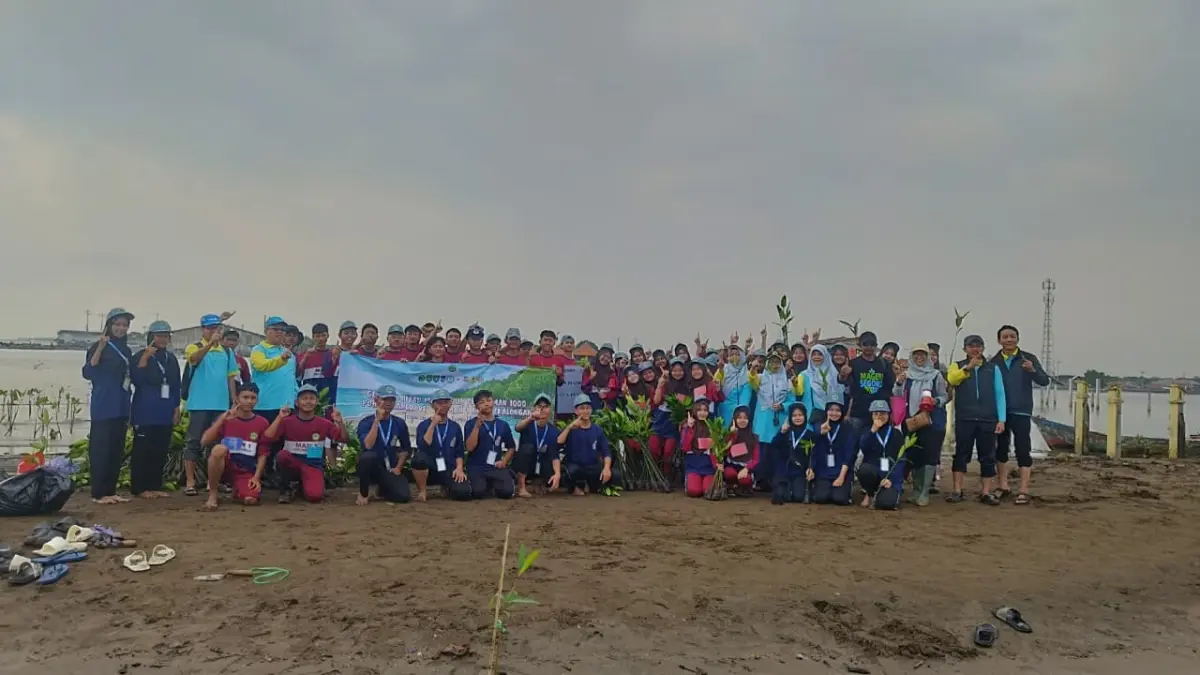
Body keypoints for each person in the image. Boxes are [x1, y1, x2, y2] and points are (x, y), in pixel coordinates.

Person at [82, 308, 135, 505]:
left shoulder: (126, 350)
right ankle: (98, 493)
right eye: (117, 324)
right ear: (109, 325)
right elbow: (88, 372)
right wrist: (100, 348)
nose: (121, 328)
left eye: (125, 325)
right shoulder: (99, 346)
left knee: (116, 449)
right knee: (101, 450)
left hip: (121, 404)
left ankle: (110, 491)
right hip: (104, 405)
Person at [946, 334, 1007, 505]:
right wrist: (968, 368)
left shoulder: (993, 368)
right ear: (964, 349)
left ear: (983, 348)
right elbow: (952, 379)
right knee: (961, 454)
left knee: (987, 456)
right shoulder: (957, 366)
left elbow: (1000, 394)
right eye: (971, 346)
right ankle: (957, 490)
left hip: (988, 419)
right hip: (965, 418)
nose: (975, 349)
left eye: (978, 346)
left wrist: (1001, 419)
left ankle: (986, 492)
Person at [182, 313, 239, 497]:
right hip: (199, 403)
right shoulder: (194, 347)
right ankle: (190, 482)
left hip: (220, 404)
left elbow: (231, 377)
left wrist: (234, 399)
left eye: (216, 328)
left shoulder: (227, 352)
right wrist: (209, 344)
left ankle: (212, 481)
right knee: (193, 442)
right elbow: (194, 359)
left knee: (217, 444)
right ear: (203, 329)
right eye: (209, 328)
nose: (213, 331)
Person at [991, 325, 1049, 505]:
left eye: (1012, 336)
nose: (1009, 339)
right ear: (999, 340)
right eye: (1005, 337)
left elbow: (1044, 381)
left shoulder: (1028, 359)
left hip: (1022, 411)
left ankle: (1023, 490)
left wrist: (1032, 370)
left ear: (1017, 338)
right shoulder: (993, 362)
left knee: (1023, 449)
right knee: (1000, 448)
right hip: (1000, 413)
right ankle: (1003, 485)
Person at [129, 320, 181, 499]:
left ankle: (154, 485)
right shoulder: (140, 355)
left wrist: (176, 408)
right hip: (145, 409)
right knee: (143, 449)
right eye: (159, 336)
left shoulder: (170, 358)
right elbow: (136, 379)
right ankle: (139, 487)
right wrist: (145, 357)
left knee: (160, 449)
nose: (162, 339)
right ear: (151, 337)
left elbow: (176, 385)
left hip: (165, 409)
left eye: (165, 336)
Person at [268, 384, 344, 503]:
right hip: (292, 463)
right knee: (282, 456)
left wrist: (340, 422)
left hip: (312, 466)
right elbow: (269, 437)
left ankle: (302, 486)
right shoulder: (287, 421)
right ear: (297, 403)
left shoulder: (324, 423)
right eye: (304, 398)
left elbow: (344, 439)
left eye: (311, 398)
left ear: (317, 402)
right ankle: (286, 488)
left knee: (315, 496)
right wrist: (279, 417)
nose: (308, 401)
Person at [200, 383, 271, 510]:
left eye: (253, 398)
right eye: (245, 397)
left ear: (257, 400)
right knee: (218, 450)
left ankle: (238, 491)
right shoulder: (226, 419)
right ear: (237, 399)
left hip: (245, 470)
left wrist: (256, 477)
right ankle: (213, 494)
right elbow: (204, 441)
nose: (249, 401)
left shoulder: (262, 423)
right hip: (224, 465)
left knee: (250, 500)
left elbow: (263, 453)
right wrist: (222, 420)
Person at [895, 343, 948, 506]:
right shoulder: (906, 376)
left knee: (930, 456)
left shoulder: (935, 375)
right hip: (912, 421)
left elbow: (944, 396)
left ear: (927, 356)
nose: (919, 357)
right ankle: (916, 491)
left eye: (923, 354)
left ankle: (924, 492)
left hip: (932, 421)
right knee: (914, 455)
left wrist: (935, 401)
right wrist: (898, 383)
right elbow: (897, 396)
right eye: (916, 354)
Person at [354, 385, 413, 505]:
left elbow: (406, 448)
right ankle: (363, 492)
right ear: (376, 400)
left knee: (403, 496)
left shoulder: (399, 423)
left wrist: (398, 467)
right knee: (368, 456)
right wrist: (377, 420)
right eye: (385, 399)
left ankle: (381, 489)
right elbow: (368, 445)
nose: (389, 403)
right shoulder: (366, 422)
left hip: (390, 469)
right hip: (371, 468)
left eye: (392, 400)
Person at [412, 390, 471, 501]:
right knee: (419, 458)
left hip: (448, 468)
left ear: (450, 404)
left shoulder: (455, 427)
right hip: (431, 469)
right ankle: (422, 491)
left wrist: (459, 468)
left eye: (446, 402)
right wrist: (433, 424)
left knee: (463, 493)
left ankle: (446, 487)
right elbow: (423, 446)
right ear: (432, 405)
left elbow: (459, 452)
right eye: (439, 403)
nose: (443, 405)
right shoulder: (423, 425)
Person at [557, 393, 619, 496]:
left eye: (588, 408)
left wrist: (606, 468)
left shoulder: (597, 430)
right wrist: (569, 427)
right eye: (582, 408)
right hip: (575, 467)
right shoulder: (571, 429)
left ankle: (590, 485)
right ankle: (577, 486)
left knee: (615, 475)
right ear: (576, 411)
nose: (585, 411)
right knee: (572, 472)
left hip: (592, 467)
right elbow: (559, 442)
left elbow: (606, 452)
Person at [463, 390, 518, 499]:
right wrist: (477, 427)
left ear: (493, 402)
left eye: (489, 400)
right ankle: (486, 485)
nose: (486, 404)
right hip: (477, 467)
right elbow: (469, 448)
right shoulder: (470, 424)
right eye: (482, 402)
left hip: (495, 467)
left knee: (507, 492)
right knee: (477, 492)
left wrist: (504, 461)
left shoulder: (502, 425)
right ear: (476, 407)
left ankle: (496, 483)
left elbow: (511, 447)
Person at [855, 400, 906, 510]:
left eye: (883, 413)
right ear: (871, 415)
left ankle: (884, 495)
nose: (879, 416)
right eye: (876, 413)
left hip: (890, 475)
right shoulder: (867, 431)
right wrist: (873, 431)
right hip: (875, 472)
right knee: (864, 470)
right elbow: (863, 447)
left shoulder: (896, 434)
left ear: (888, 415)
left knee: (886, 504)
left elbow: (901, 459)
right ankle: (869, 493)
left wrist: (891, 479)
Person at [841, 331, 895, 432]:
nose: (869, 347)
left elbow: (891, 386)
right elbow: (843, 383)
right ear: (860, 345)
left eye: (872, 344)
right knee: (855, 440)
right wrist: (843, 374)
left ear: (876, 345)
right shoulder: (853, 364)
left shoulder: (884, 364)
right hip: (858, 413)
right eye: (866, 344)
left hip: (879, 413)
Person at [251, 316, 299, 427]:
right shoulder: (258, 349)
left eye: (282, 330)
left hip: (287, 406)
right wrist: (281, 359)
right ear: (266, 331)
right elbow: (262, 365)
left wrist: (297, 397)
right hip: (264, 405)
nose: (280, 332)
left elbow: (292, 379)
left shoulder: (289, 354)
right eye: (276, 329)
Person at [514, 393, 561, 497]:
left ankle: (538, 481)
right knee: (527, 448)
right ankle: (521, 487)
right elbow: (517, 428)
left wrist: (557, 474)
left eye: (546, 407)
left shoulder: (554, 431)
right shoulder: (527, 424)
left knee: (550, 460)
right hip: (526, 464)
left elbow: (555, 455)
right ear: (534, 408)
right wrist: (531, 418)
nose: (542, 409)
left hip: (541, 464)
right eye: (539, 406)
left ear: (550, 410)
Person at [749, 353, 802, 443]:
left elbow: (792, 401)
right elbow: (752, 380)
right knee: (762, 447)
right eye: (772, 362)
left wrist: (782, 406)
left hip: (780, 421)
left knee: (778, 446)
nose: (774, 365)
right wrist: (753, 368)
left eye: (777, 362)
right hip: (763, 421)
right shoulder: (760, 378)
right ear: (767, 364)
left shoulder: (787, 381)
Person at [651, 357, 689, 477]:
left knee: (668, 452)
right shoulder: (665, 383)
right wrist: (659, 385)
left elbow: (687, 407)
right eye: (675, 370)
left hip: (674, 424)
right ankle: (655, 473)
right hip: (660, 420)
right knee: (654, 449)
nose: (678, 373)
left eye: (680, 370)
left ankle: (666, 475)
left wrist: (683, 420)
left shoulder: (687, 386)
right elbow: (656, 401)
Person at [810, 401, 854, 505]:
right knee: (820, 498)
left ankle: (847, 489)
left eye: (838, 410)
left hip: (841, 471)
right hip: (823, 472)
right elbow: (814, 451)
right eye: (831, 410)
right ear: (826, 411)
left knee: (840, 499)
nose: (834, 413)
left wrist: (841, 477)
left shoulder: (848, 428)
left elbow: (849, 454)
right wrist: (821, 433)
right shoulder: (820, 426)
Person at [770, 403, 814, 504]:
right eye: (794, 415)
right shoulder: (785, 431)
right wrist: (781, 432)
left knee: (798, 497)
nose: (797, 418)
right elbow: (774, 445)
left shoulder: (809, 434)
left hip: (799, 471)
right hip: (784, 470)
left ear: (805, 416)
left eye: (800, 415)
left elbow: (814, 454)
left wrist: (810, 468)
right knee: (779, 495)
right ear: (790, 417)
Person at [679, 397, 719, 498]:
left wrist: (717, 464)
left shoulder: (712, 426)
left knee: (708, 491)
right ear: (694, 410)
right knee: (694, 491)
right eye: (699, 410)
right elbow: (684, 447)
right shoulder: (687, 426)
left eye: (705, 410)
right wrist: (689, 428)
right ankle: (689, 481)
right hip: (693, 463)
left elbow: (716, 449)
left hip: (707, 464)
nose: (702, 413)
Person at [723, 406, 760, 496]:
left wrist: (746, 469)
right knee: (729, 474)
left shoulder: (753, 437)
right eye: (739, 418)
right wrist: (732, 435)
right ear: (734, 419)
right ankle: (731, 486)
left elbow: (756, 459)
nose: (742, 420)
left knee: (744, 479)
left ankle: (745, 487)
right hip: (731, 464)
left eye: (745, 418)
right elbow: (725, 451)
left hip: (746, 466)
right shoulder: (728, 434)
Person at [714, 342, 752, 425]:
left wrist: (740, 410)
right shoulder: (724, 368)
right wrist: (720, 370)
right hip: (724, 407)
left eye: (737, 354)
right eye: (731, 355)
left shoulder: (746, 373)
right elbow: (716, 381)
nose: (734, 357)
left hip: (739, 411)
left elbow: (746, 395)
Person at [296, 323, 336, 395]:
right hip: (309, 395)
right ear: (313, 337)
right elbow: (297, 373)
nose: (321, 339)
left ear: (328, 336)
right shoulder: (304, 354)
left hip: (328, 395)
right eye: (317, 336)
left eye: (323, 335)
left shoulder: (333, 354)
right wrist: (305, 357)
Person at [806, 344, 845, 413]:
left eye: (820, 354)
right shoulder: (806, 374)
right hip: (814, 412)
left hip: (833, 412)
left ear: (826, 355)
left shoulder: (833, 372)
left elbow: (839, 390)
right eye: (813, 354)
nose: (817, 357)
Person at [584, 344, 619, 410]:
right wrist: (590, 378)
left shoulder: (612, 370)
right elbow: (583, 387)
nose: (605, 359)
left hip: (609, 401)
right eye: (604, 355)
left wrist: (606, 395)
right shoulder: (590, 368)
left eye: (608, 357)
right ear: (599, 354)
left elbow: (615, 389)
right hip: (593, 399)